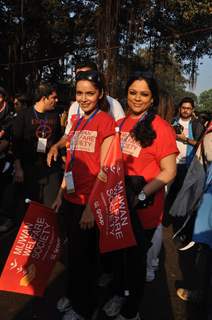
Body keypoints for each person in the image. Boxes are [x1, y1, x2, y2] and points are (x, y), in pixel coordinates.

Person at [102, 71, 178, 320]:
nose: (137, 98)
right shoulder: (120, 124)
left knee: (135, 263)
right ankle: (117, 294)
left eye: (144, 94)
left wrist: (141, 195)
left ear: (153, 99)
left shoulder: (162, 129)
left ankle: (131, 311)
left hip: (142, 208)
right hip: (116, 204)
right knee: (116, 257)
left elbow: (169, 172)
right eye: (132, 92)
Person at [51, 70, 115, 320]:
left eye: (90, 93)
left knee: (87, 261)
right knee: (73, 256)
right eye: (80, 93)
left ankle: (84, 309)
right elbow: (71, 164)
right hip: (70, 200)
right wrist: (60, 194)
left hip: (89, 204)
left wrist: (90, 207)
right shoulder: (76, 121)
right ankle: (73, 296)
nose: (84, 98)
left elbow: (106, 169)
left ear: (100, 94)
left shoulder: (106, 122)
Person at [47, 60, 124, 166]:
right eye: (79, 75)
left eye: (87, 74)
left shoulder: (113, 106)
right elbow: (68, 135)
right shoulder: (75, 108)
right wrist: (56, 146)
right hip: (75, 173)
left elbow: (118, 142)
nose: (83, 98)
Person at [12, 82, 62, 207]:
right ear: (44, 98)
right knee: (29, 205)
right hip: (29, 168)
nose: (57, 100)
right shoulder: (24, 115)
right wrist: (18, 167)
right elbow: (16, 143)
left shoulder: (55, 115)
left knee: (50, 206)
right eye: (53, 97)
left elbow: (58, 139)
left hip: (51, 168)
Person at [165, 97, 204, 214]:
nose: (186, 110)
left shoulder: (197, 125)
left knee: (182, 195)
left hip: (187, 165)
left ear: (193, 110)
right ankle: (164, 220)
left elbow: (201, 144)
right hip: (170, 163)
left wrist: (185, 139)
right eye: (183, 108)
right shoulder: (171, 121)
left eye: (188, 108)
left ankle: (178, 222)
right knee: (167, 194)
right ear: (179, 108)